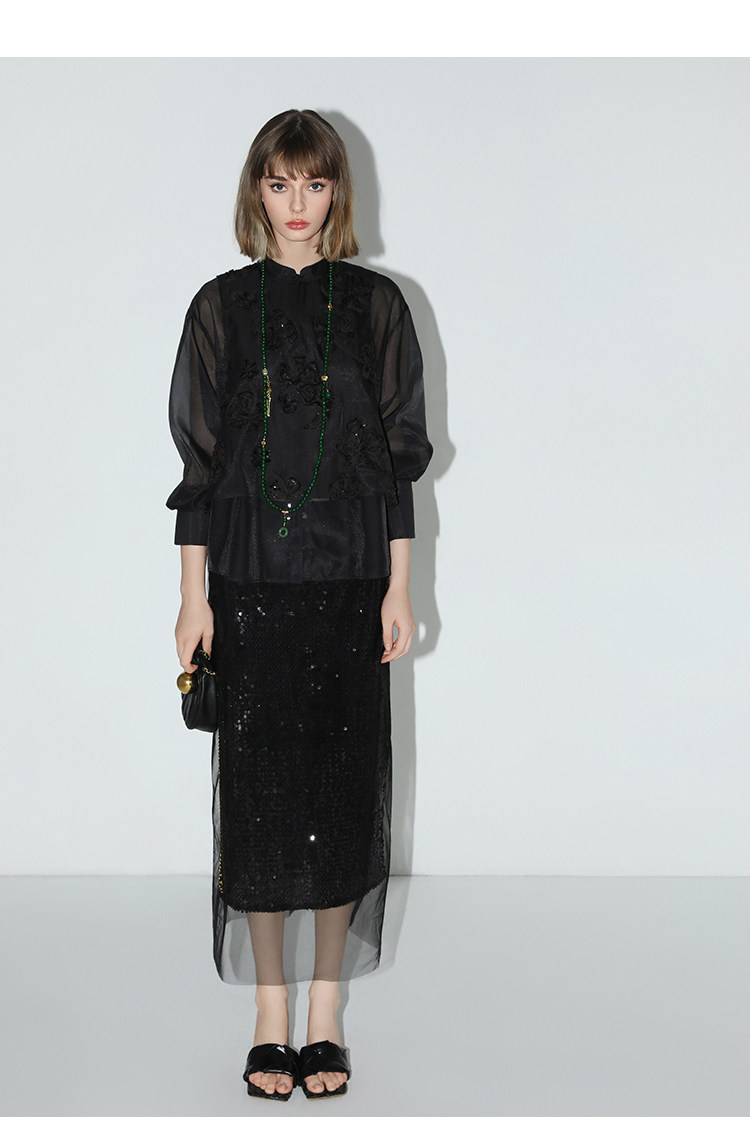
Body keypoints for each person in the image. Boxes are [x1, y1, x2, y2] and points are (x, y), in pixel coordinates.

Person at [166, 109, 432, 1102]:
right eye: (279, 183)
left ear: (337, 193)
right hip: (250, 583)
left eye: (314, 184)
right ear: (256, 191)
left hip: (351, 582)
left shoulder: (377, 306)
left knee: (340, 800)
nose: (297, 204)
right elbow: (198, 468)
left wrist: (401, 584)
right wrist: (191, 598)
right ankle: (268, 1013)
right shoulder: (219, 308)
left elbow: (398, 461)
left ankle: (326, 1011)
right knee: (263, 804)